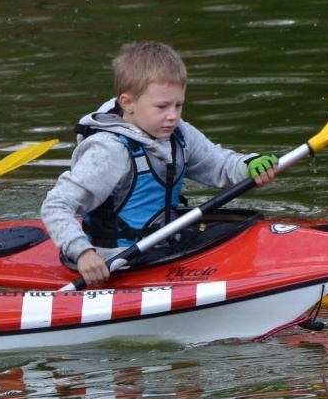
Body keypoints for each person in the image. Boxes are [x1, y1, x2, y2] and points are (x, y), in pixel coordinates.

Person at [40, 42, 281, 287]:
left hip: (167, 245)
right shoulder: (109, 151)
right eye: (162, 106)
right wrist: (82, 252)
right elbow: (56, 205)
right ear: (128, 103)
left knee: (238, 231)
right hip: (120, 261)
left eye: (178, 105)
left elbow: (220, 164)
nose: (173, 115)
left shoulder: (179, 133)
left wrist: (248, 165)